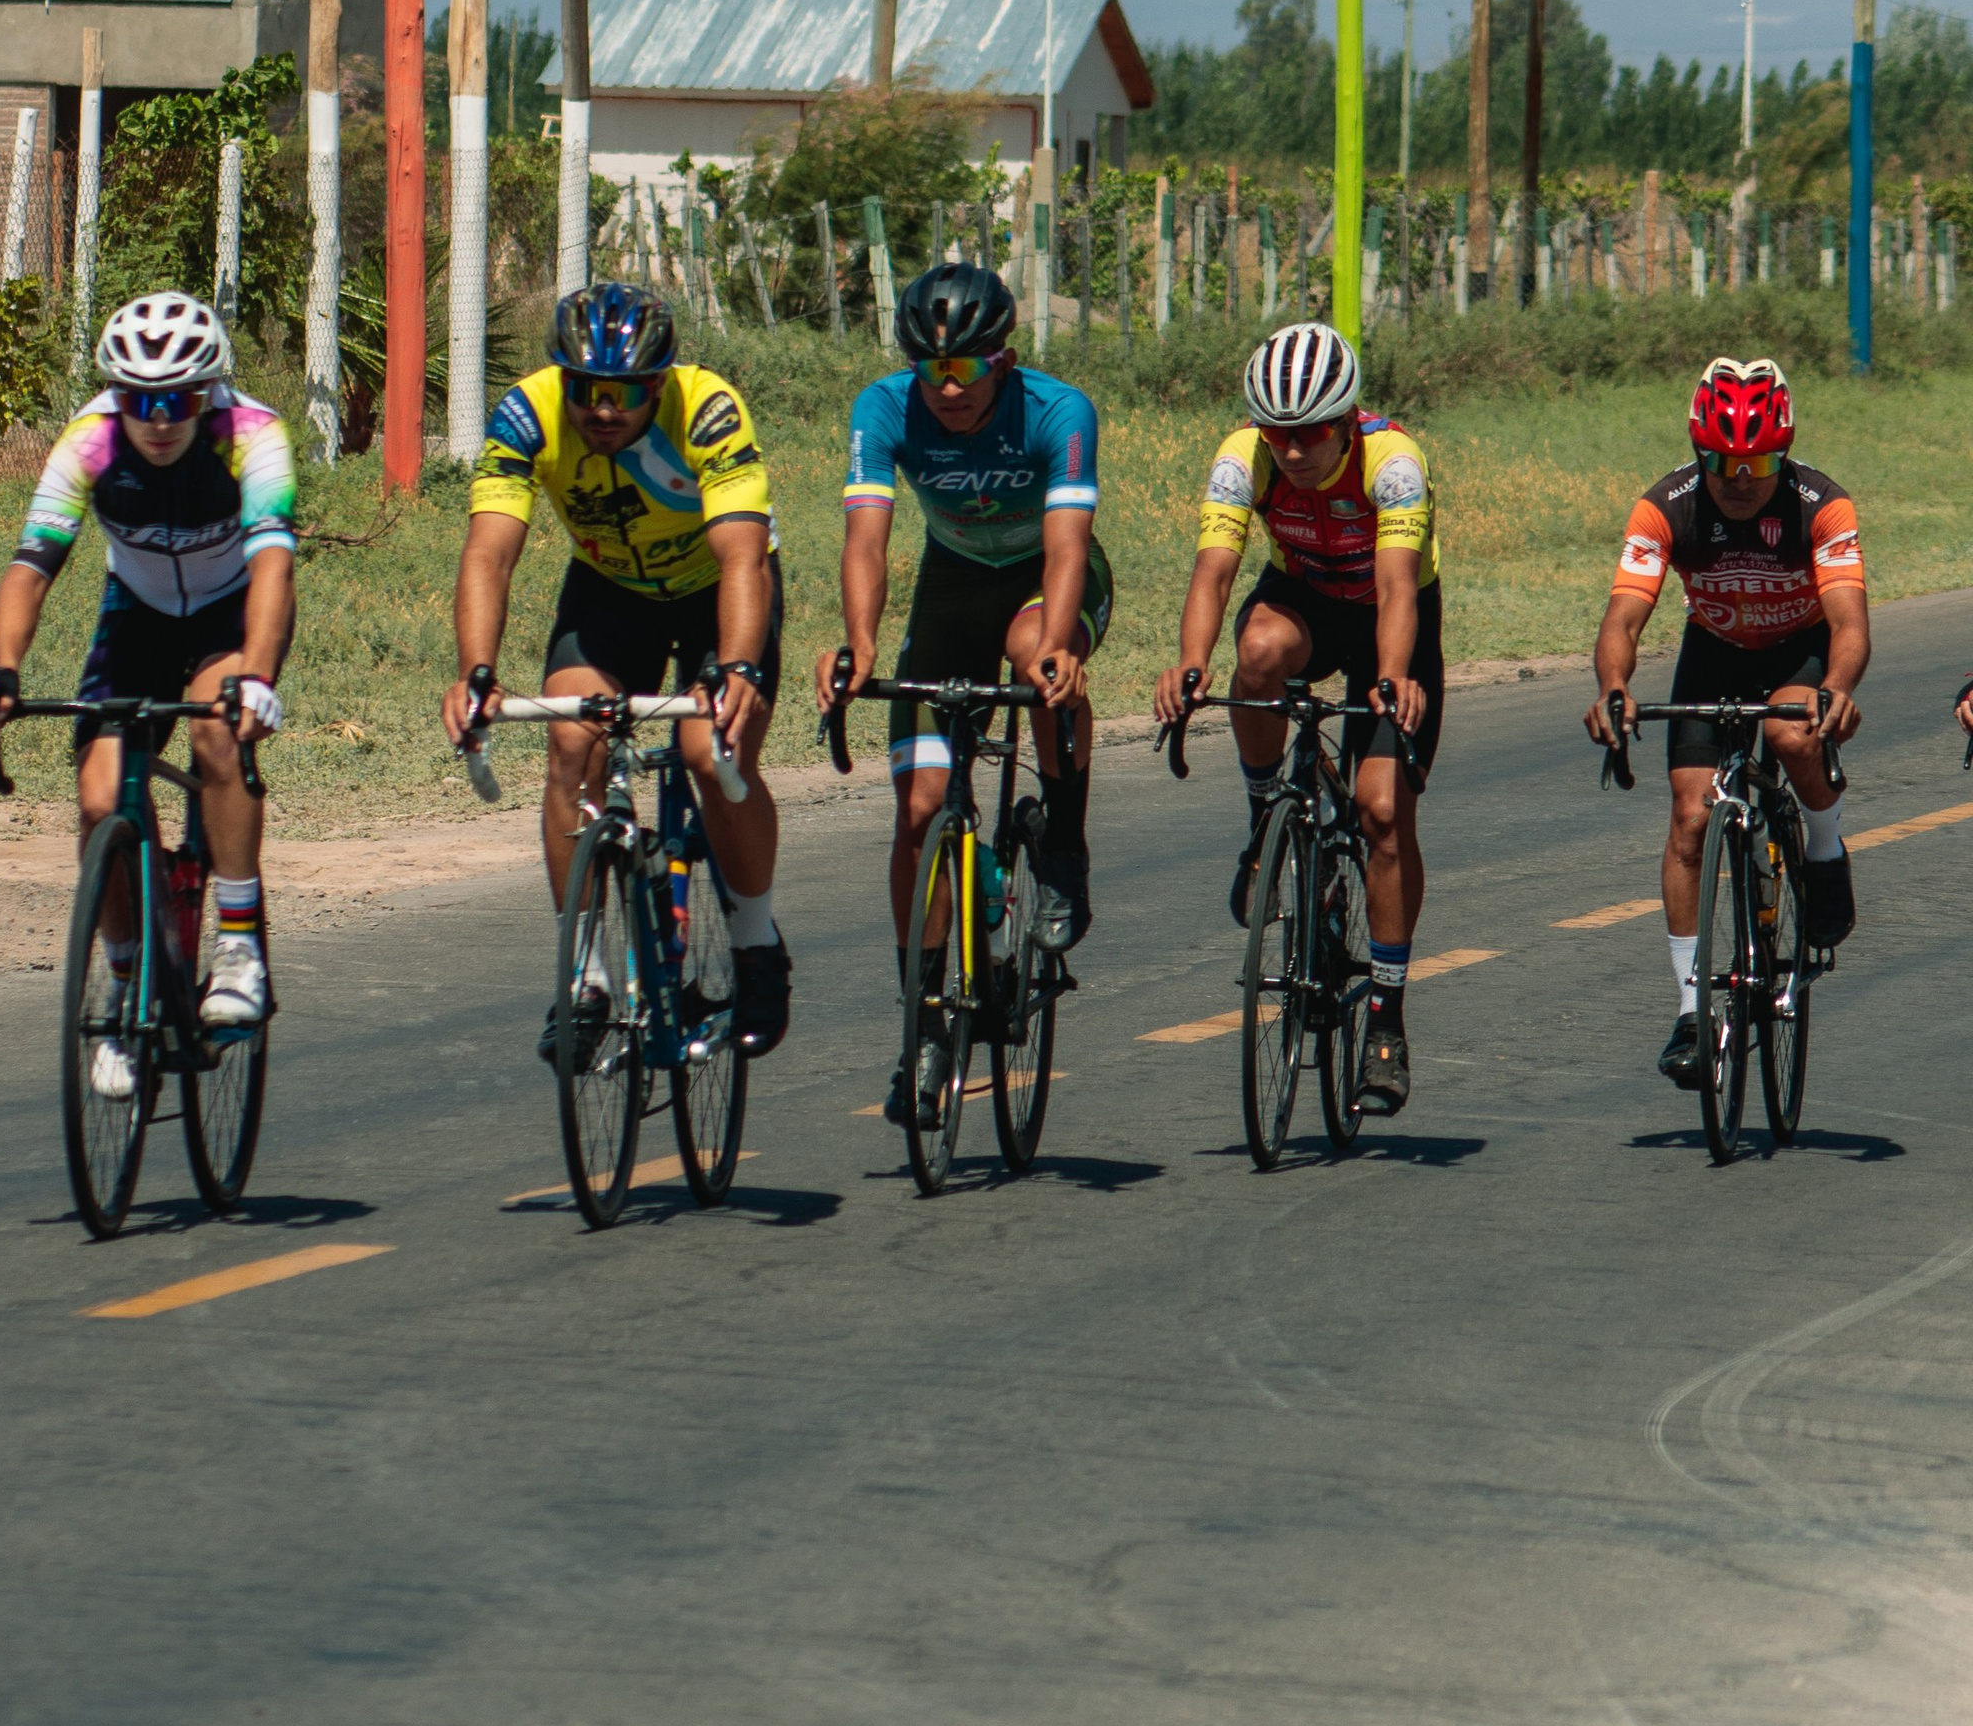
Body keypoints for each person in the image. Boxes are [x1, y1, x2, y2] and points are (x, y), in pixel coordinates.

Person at [440, 281, 792, 1060]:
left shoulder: (707, 408)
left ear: (658, 385)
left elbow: (741, 555)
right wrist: (477, 671)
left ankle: (757, 940)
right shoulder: (526, 415)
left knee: (711, 751)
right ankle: (586, 976)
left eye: (624, 394)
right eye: (586, 391)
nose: (602, 410)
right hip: (611, 593)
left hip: (718, 592)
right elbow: (489, 552)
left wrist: (734, 666)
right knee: (572, 744)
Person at [0, 294, 295, 1069]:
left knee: (218, 729)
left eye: (177, 399)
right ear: (115, 395)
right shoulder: (87, 442)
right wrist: (3, 670)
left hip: (228, 613)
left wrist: (257, 675)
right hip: (138, 614)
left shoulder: (252, 435)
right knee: (98, 799)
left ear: (208, 389)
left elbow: (274, 564)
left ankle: (241, 943)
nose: (157, 418)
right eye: (138, 399)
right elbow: (32, 565)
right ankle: (120, 979)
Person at [817, 262, 1104, 1124]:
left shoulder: (1058, 412)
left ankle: (1063, 847)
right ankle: (927, 1026)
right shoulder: (884, 406)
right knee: (920, 810)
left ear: (1003, 361)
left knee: (1030, 654)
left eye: (965, 370)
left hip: (1046, 578)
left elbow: (1066, 547)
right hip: (950, 584)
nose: (945, 389)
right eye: (928, 369)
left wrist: (1057, 646)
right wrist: (862, 642)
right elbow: (867, 541)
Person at [1154, 320, 1440, 1120]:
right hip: (1306, 596)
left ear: (1346, 420)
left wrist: (1388, 681)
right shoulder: (1241, 456)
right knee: (1257, 654)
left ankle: (1385, 1013)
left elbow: (1396, 589)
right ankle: (1263, 818)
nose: (1291, 450)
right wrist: (1188, 661)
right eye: (1277, 432)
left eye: (1309, 433)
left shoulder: (1394, 463)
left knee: (1383, 812)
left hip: (1391, 613)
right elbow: (1214, 570)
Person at [1588, 355, 1865, 1088]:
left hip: (1798, 654)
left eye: (1761, 461)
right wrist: (1614, 686)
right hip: (1712, 653)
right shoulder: (1666, 506)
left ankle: (1826, 852)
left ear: (1787, 447)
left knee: (1788, 733)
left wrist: (1836, 687)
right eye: (1722, 462)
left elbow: (1849, 622)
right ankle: (1689, 1014)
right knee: (1688, 817)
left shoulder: (1820, 505)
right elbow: (1624, 614)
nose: (1742, 480)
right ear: (1697, 450)